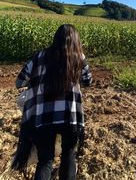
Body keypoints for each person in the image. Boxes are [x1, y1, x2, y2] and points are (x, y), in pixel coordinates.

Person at [12, 24, 92, 180]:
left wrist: (37, 81)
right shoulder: (79, 57)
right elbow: (88, 80)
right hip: (70, 117)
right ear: (76, 40)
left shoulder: (40, 56)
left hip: (43, 118)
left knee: (45, 161)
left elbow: (19, 82)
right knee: (69, 155)